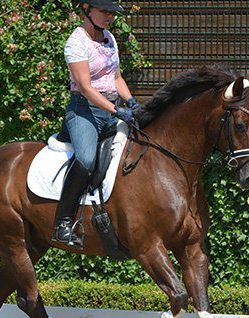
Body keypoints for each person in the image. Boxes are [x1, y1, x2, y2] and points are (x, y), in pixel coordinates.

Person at [52, 0, 139, 248]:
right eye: (106, 12)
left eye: (112, 13)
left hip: (111, 109)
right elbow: (87, 90)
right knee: (86, 159)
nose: (110, 17)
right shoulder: (76, 43)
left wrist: (131, 101)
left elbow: (117, 78)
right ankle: (63, 223)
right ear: (88, 9)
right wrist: (117, 110)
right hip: (84, 112)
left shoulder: (109, 37)